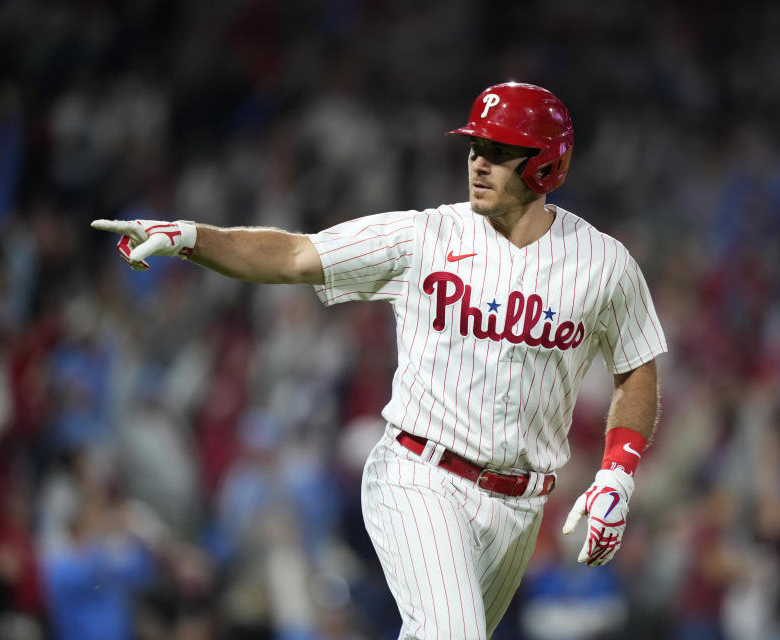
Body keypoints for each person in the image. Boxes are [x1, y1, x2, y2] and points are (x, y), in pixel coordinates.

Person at [91, 81, 667, 639]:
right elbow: (295, 254)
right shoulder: (423, 236)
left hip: (522, 505)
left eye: (498, 152)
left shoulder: (603, 265)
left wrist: (618, 470)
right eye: (474, 148)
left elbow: (636, 365)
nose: (478, 164)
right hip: (421, 475)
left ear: (545, 165)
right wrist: (193, 237)